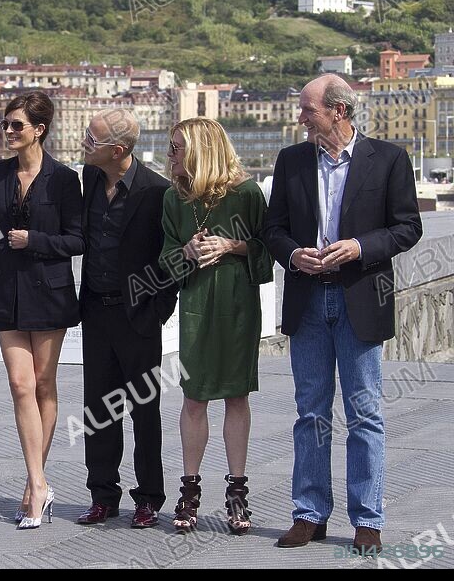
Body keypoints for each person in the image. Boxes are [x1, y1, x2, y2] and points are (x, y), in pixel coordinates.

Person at [263, 74, 422, 554]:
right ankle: (308, 514)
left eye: (307, 110)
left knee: (364, 413)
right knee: (310, 411)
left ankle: (367, 519)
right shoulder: (291, 160)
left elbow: (407, 227)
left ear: (339, 111)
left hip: (360, 298)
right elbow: (273, 229)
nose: (300, 117)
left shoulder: (389, 159)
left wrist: (359, 246)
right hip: (308, 300)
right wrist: (294, 255)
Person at [0, 91, 83, 529]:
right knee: (19, 385)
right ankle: (39, 481)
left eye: (16, 126)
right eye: (6, 124)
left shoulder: (64, 179)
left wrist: (36, 241)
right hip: (6, 291)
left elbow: (78, 239)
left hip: (50, 292)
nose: (8, 132)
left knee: (44, 384)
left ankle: (35, 485)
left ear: (38, 130)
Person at [159, 117, 274, 534]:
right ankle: (189, 492)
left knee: (237, 396)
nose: (170, 156)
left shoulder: (246, 194)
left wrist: (232, 244)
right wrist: (187, 251)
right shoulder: (175, 199)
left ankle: (237, 492)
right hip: (196, 308)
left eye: (176, 147)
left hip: (238, 306)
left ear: (201, 149)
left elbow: (268, 248)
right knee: (194, 398)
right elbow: (164, 262)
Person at [75, 108, 179, 530]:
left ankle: (149, 498)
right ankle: (103, 496)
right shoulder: (88, 180)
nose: (84, 143)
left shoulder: (157, 191)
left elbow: (171, 259)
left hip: (138, 317)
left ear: (117, 150)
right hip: (95, 312)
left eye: (91, 139)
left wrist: (155, 311)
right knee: (98, 410)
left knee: (143, 410)